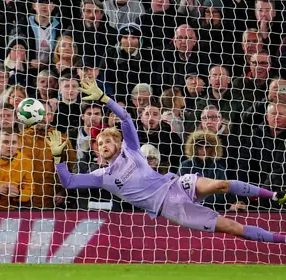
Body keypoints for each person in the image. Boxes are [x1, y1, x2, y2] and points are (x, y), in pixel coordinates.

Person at [47, 78, 286, 244]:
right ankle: (281, 239)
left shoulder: (132, 150)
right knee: (234, 228)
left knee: (220, 184)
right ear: (97, 151)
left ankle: (274, 195)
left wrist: (104, 98)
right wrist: (58, 158)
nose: (104, 145)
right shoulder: (102, 177)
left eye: (108, 141)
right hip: (171, 208)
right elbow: (68, 182)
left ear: (118, 144)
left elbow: (127, 117)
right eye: (100, 144)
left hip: (176, 184)